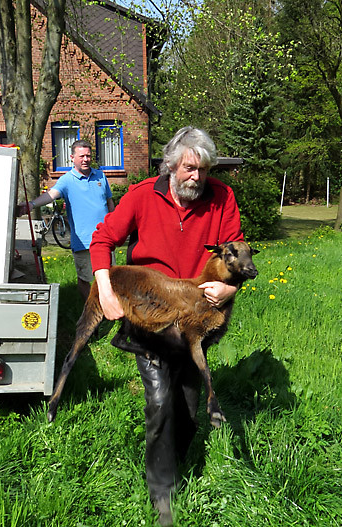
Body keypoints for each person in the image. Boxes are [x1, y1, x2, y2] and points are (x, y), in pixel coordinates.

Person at [88, 126, 244, 526]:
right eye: (190, 169)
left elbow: (238, 252)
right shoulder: (142, 195)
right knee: (160, 402)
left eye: (204, 170)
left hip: (196, 316)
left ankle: (173, 463)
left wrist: (231, 289)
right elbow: (103, 239)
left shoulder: (222, 198)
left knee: (188, 409)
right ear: (172, 166)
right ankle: (162, 493)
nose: (198, 177)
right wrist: (106, 289)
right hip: (151, 315)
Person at [17, 139, 115, 300]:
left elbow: (109, 202)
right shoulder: (67, 180)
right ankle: (89, 311)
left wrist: (115, 224)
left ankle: (109, 310)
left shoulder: (100, 176)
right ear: (72, 157)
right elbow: (51, 194)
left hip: (105, 238)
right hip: (83, 241)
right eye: (81, 156)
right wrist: (32, 204)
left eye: (88, 156)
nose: (85, 159)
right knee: (85, 278)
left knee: (109, 277)